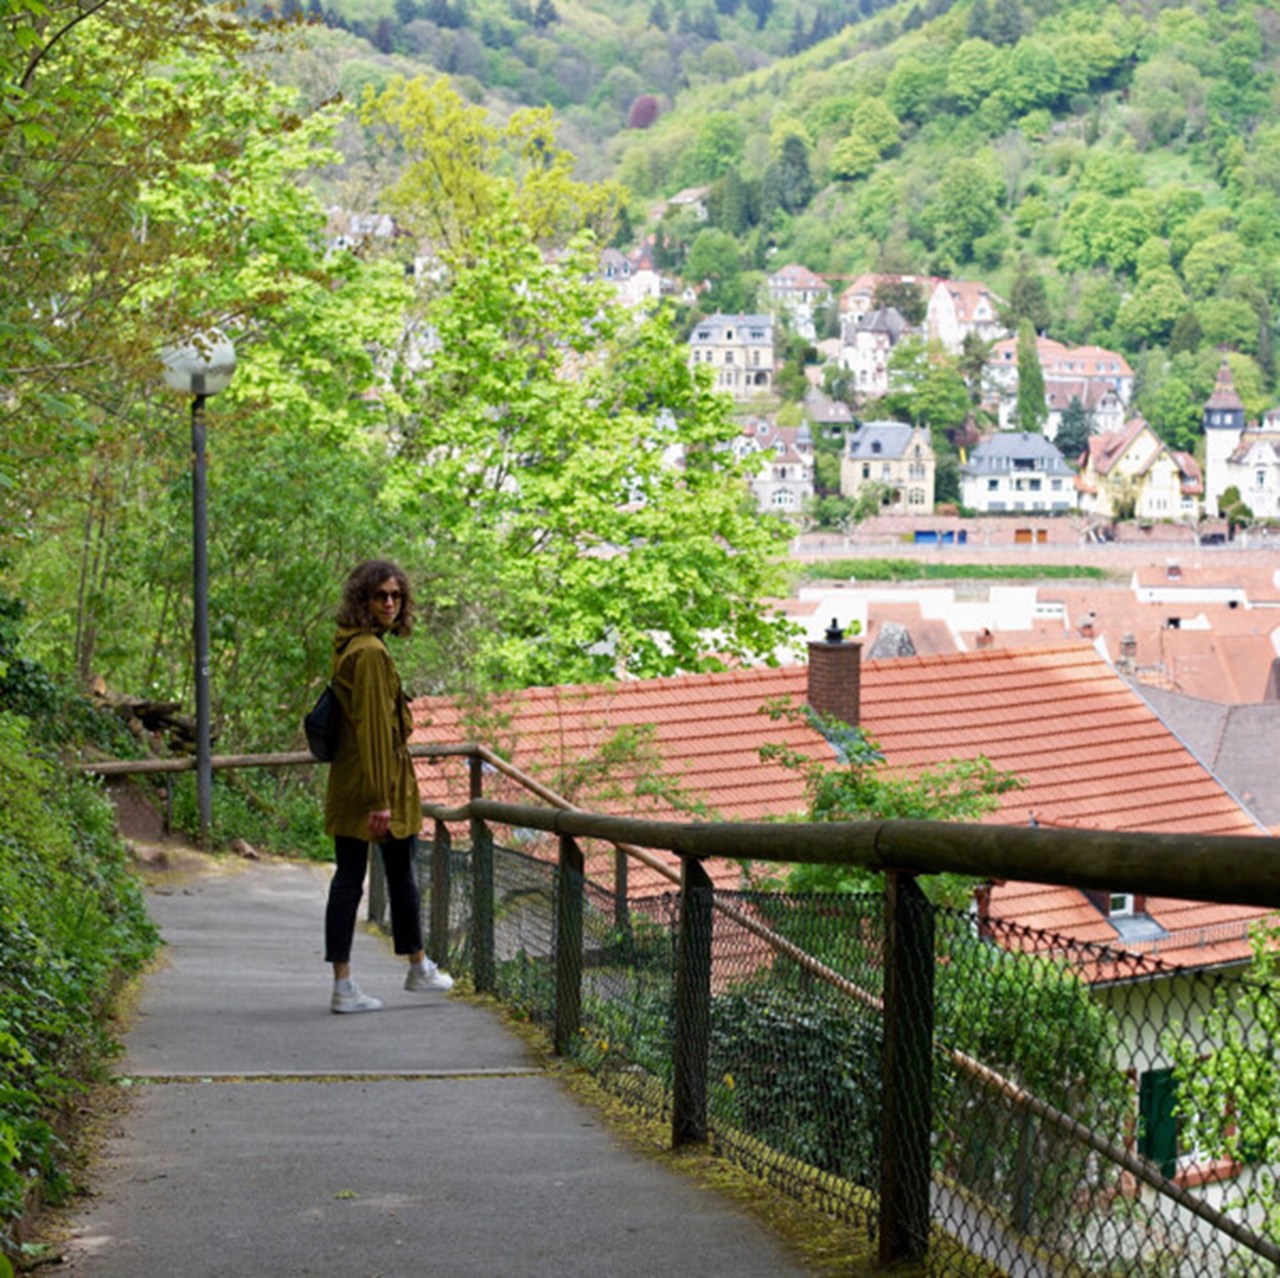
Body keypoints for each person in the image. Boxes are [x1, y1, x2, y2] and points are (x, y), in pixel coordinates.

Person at [322, 558, 453, 1013]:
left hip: (350, 779)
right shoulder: (371, 655)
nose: (391, 604)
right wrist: (380, 800)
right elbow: (376, 732)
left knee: (368, 877)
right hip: (378, 787)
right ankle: (394, 975)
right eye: (381, 596)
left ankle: (408, 969)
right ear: (364, 600)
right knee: (379, 877)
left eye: (396, 596)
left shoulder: (351, 645)